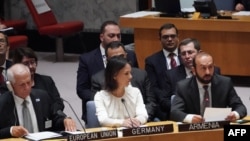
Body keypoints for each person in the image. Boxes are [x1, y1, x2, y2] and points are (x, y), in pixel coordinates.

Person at [77, 20, 138, 123]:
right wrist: (107, 99)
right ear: (102, 37)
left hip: (128, 107)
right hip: (101, 109)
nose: (116, 39)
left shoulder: (130, 54)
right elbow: (82, 90)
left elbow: (136, 79)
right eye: (111, 35)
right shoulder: (87, 59)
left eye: (118, 36)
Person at [0, 64, 76, 139]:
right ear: (11, 86)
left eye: (28, 82)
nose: (27, 87)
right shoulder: (2, 103)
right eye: (22, 84)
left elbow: (55, 119)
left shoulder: (42, 96)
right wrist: (10, 130)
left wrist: (65, 120)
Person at [170, 52, 247, 123]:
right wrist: (190, 118)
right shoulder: (183, 87)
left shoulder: (225, 83)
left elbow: (240, 107)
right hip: (194, 130)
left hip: (218, 128)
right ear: (194, 70)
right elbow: (175, 112)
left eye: (210, 67)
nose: (208, 72)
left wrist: (235, 114)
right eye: (203, 68)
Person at [91, 41, 157, 121]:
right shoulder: (98, 80)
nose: (120, 60)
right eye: (115, 58)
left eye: (122, 56)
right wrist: (122, 123)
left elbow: (151, 102)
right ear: (107, 60)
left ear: (126, 55)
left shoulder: (141, 75)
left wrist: (139, 120)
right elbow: (101, 115)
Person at [156, 38, 221, 119]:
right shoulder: (170, 75)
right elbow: (164, 101)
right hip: (183, 117)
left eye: (190, 52)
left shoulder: (213, 71)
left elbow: (218, 95)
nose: (187, 56)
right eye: (183, 54)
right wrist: (183, 105)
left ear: (199, 53)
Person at [94, 56, 148, 128]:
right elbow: (103, 120)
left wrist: (137, 121)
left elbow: (143, 114)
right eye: (126, 73)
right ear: (114, 75)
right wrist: (122, 122)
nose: (130, 76)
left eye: (130, 73)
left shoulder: (135, 92)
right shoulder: (100, 96)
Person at [145, 23, 181, 120]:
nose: (169, 39)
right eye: (165, 37)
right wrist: (170, 104)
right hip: (164, 107)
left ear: (178, 37)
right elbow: (154, 88)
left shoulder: (185, 56)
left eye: (172, 36)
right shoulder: (152, 61)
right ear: (160, 39)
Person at [12, 47, 64, 114]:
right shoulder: (12, 85)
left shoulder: (47, 81)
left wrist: (47, 112)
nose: (30, 66)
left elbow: (58, 103)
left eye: (32, 62)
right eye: (26, 64)